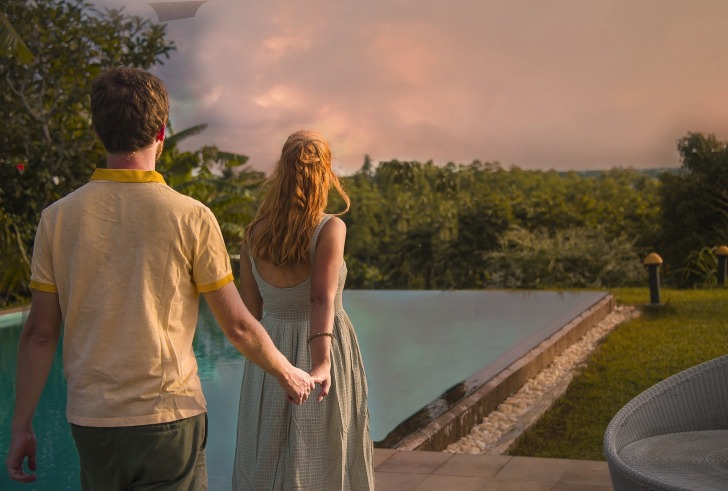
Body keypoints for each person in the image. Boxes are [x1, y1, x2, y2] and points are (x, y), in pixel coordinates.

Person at [5, 67, 314, 490]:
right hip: (169, 419)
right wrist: (286, 371)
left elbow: (40, 334)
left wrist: (21, 425)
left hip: (93, 421)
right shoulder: (191, 216)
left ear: (100, 131)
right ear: (161, 134)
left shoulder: (57, 219)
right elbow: (238, 325)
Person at [232, 130, 375, 490]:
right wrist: (321, 362)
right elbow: (321, 298)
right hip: (323, 346)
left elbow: (251, 311)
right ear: (325, 173)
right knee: (326, 453)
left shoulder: (253, 234)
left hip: (270, 353)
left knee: (265, 454)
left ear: (281, 172)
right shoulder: (330, 227)